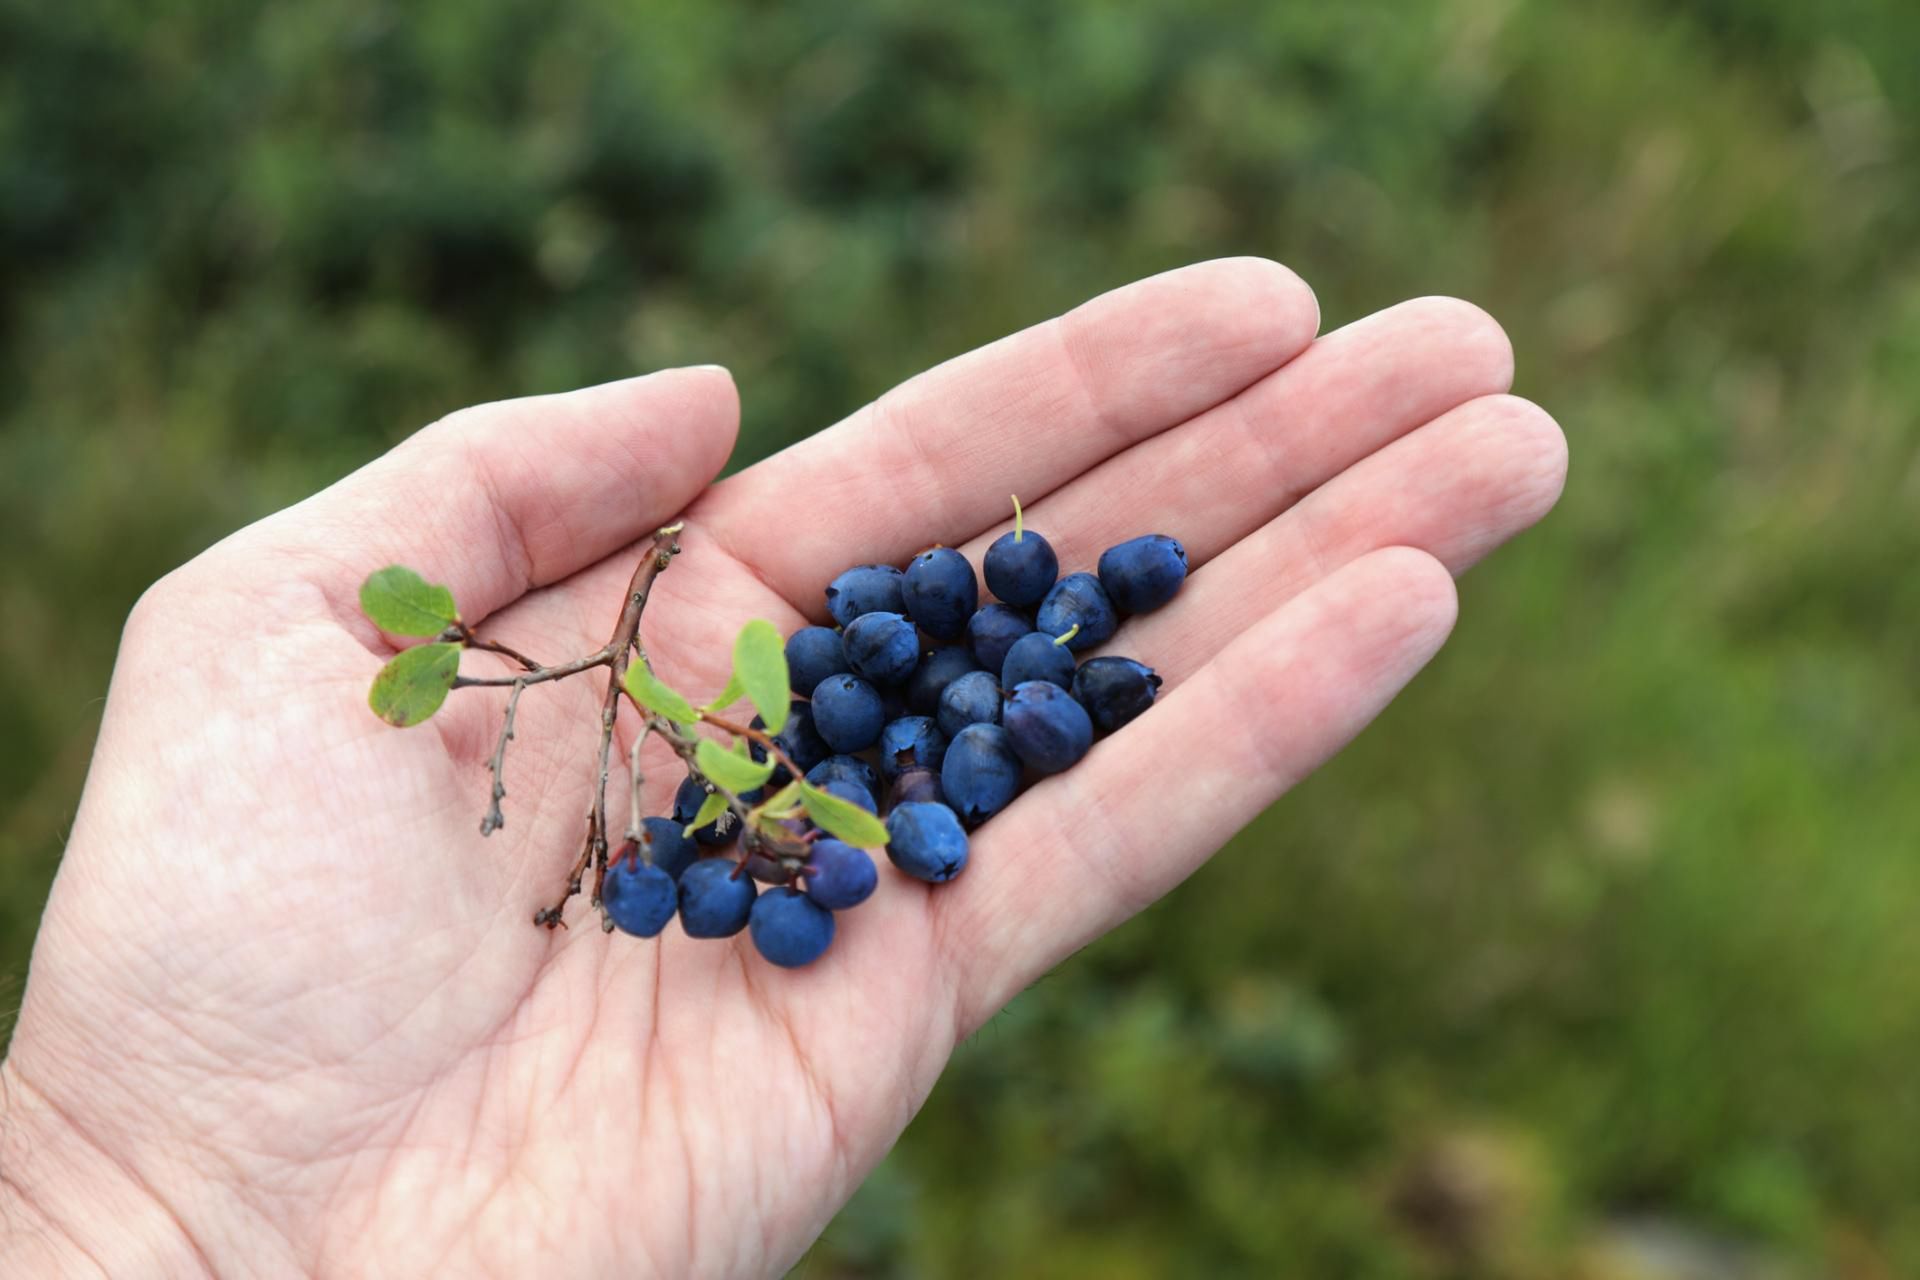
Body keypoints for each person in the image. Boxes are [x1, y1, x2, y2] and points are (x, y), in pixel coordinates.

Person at [0, 259, 1565, 1276]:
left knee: (948, 688)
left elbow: (924, 715)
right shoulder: (793, 796)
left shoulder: (917, 716)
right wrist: (129, 1174)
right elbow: (867, 736)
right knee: (916, 696)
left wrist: (120, 1198)